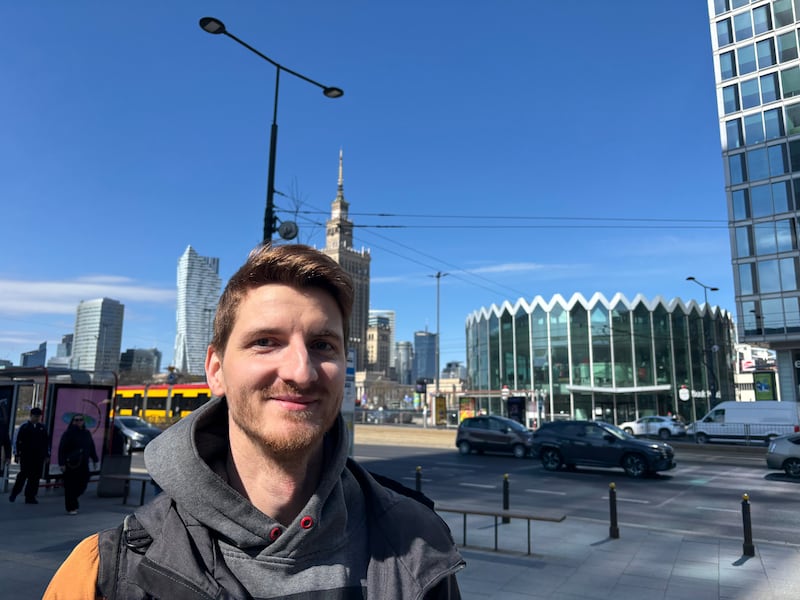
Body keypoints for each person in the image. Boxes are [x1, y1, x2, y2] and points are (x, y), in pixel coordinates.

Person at [45, 244, 464, 599]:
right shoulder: (104, 572)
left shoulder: (421, 547)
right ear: (216, 369)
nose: (301, 371)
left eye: (322, 344)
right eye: (266, 342)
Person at [57, 414, 98, 515]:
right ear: (72, 421)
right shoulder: (68, 433)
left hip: (83, 463)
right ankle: (71, 507)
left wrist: (95, 459)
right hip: (71, 464)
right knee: (70, 486)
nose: (79, 422)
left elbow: (91, 447)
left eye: (81, 420)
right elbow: (62, 449)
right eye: (76, 420)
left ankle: (74, 499)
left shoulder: (86, 433)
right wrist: (62, 463)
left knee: (83, 483)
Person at [9, 407, 49, 504]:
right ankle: (15, 492)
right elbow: (17, 441)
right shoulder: (24, 427)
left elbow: (46, 442)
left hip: (38, 456)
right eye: (35, 416)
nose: (37, 418)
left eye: (39, 416)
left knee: (35, 477)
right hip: (26, 456)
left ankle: (30, 496)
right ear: (31, 416)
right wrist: (16, 454)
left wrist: (47, 455)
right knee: (23, 475)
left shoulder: (42, 428)